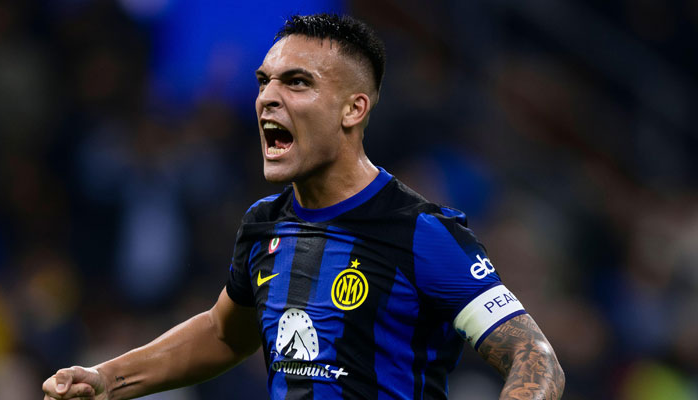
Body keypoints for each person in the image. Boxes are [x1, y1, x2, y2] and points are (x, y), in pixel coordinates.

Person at [43, 13, 565, 400]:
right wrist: (107, 379)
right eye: (263, 81)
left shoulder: (422, 233)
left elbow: (535, 358)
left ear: (353, 109)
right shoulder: (264, 223)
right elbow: (223, 333)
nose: (268, 98)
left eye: (297, 82)